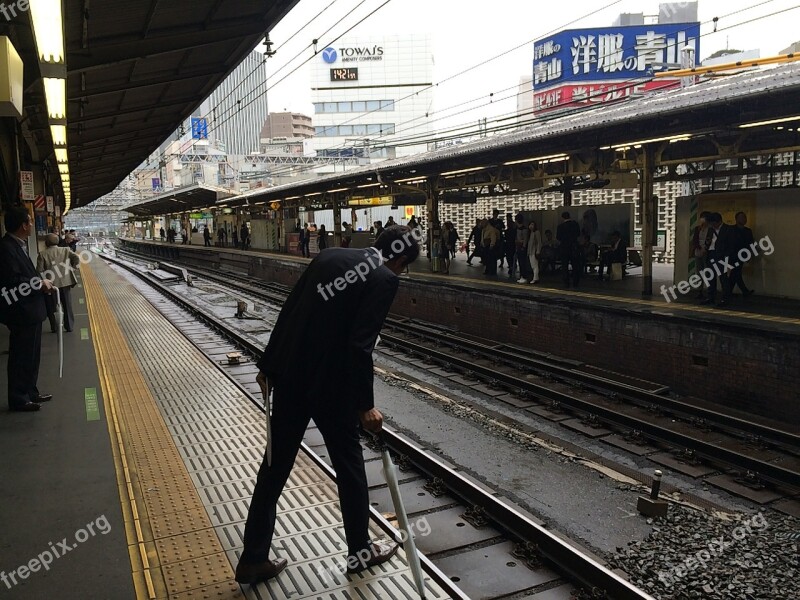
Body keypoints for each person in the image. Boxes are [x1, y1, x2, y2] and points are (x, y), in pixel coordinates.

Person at [235, 226, 420, 585]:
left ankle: (253, 558)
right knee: (350, 470)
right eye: (404, 266)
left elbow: (291, 311)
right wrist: (365, 406)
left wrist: (268, 365)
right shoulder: (383, 279)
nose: (401, 272)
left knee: (273, 468)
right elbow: (360, 346)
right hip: (331, 390)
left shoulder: (329, 255)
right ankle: (359, 552)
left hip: (290, 378)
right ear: (398, 259)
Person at [0, 206, 54, 412]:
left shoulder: (17, 246)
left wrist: (41, 284)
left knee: (32, 355)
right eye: (30, 221)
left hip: (30, 311)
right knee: (21, 356)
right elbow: (13, 281)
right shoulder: (6, 248)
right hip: (21, 312)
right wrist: (40, 284)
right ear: (23, 225)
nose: (32, 224)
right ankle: (19, 397)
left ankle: (30, 391)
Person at [37, 233, 80, 333]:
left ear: (46, 243)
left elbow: (39, 270)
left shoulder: (42, 254)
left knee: (52, 307)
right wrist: (73, 268)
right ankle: (69, 326)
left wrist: (44, 281)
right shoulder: (65, 250)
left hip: (51, 285)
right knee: (67, 305)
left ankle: (55, 327)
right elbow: (76, 258)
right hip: (65, 282)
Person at [703, 213, 734, 306]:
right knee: (710, 277)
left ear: (719, 221)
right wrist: (707, 243)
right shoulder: (711, 229)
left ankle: (725, 299)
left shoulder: (728, 229)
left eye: (714, 223)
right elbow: (708, 240)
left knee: (723, 278)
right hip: (711, 254)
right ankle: (710, 297)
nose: (713, 225)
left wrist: (727, 258)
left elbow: (731, 245)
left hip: (722, 256)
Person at [731, 211, 755, 297]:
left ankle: (728, 292)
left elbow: (750, 243)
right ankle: (744, 291)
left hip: (742, 255)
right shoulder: (731, 230)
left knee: (735, 273)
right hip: (732, 255)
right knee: (736, 273)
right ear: (736, 219)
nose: (744, 219)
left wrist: (750, 254)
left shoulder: (748, 231)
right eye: (741, 217)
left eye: (745, 217)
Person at [690, 211, 711, 300]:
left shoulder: (711, 229)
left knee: (708, 273)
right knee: (699, 272)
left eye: (704, 218)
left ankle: (710, 291)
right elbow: (695, 240)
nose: (702, 219)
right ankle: (700, 291)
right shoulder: (697, 228)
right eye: (701, 217)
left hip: (707, 253)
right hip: (698, 252)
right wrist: (699, 248)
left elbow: (711, 240)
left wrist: (705, 249)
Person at [556, 211, 581, 287]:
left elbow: (558, 237)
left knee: (565, 266)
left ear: (563, 217)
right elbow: (578, 234)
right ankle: (575, 282)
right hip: (574, 247)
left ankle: (566, 282)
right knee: (575, 266)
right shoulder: (575, 224)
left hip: (564, 248)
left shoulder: (560, 227)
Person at [514, 214, 533, 283]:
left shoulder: (523, 229)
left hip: (522, 247)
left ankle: (524, 276)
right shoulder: (522, 229)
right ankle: (522, 276)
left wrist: (523, 246)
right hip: (520, 247)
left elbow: (525, 239)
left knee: (522, 262)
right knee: (521, 262)